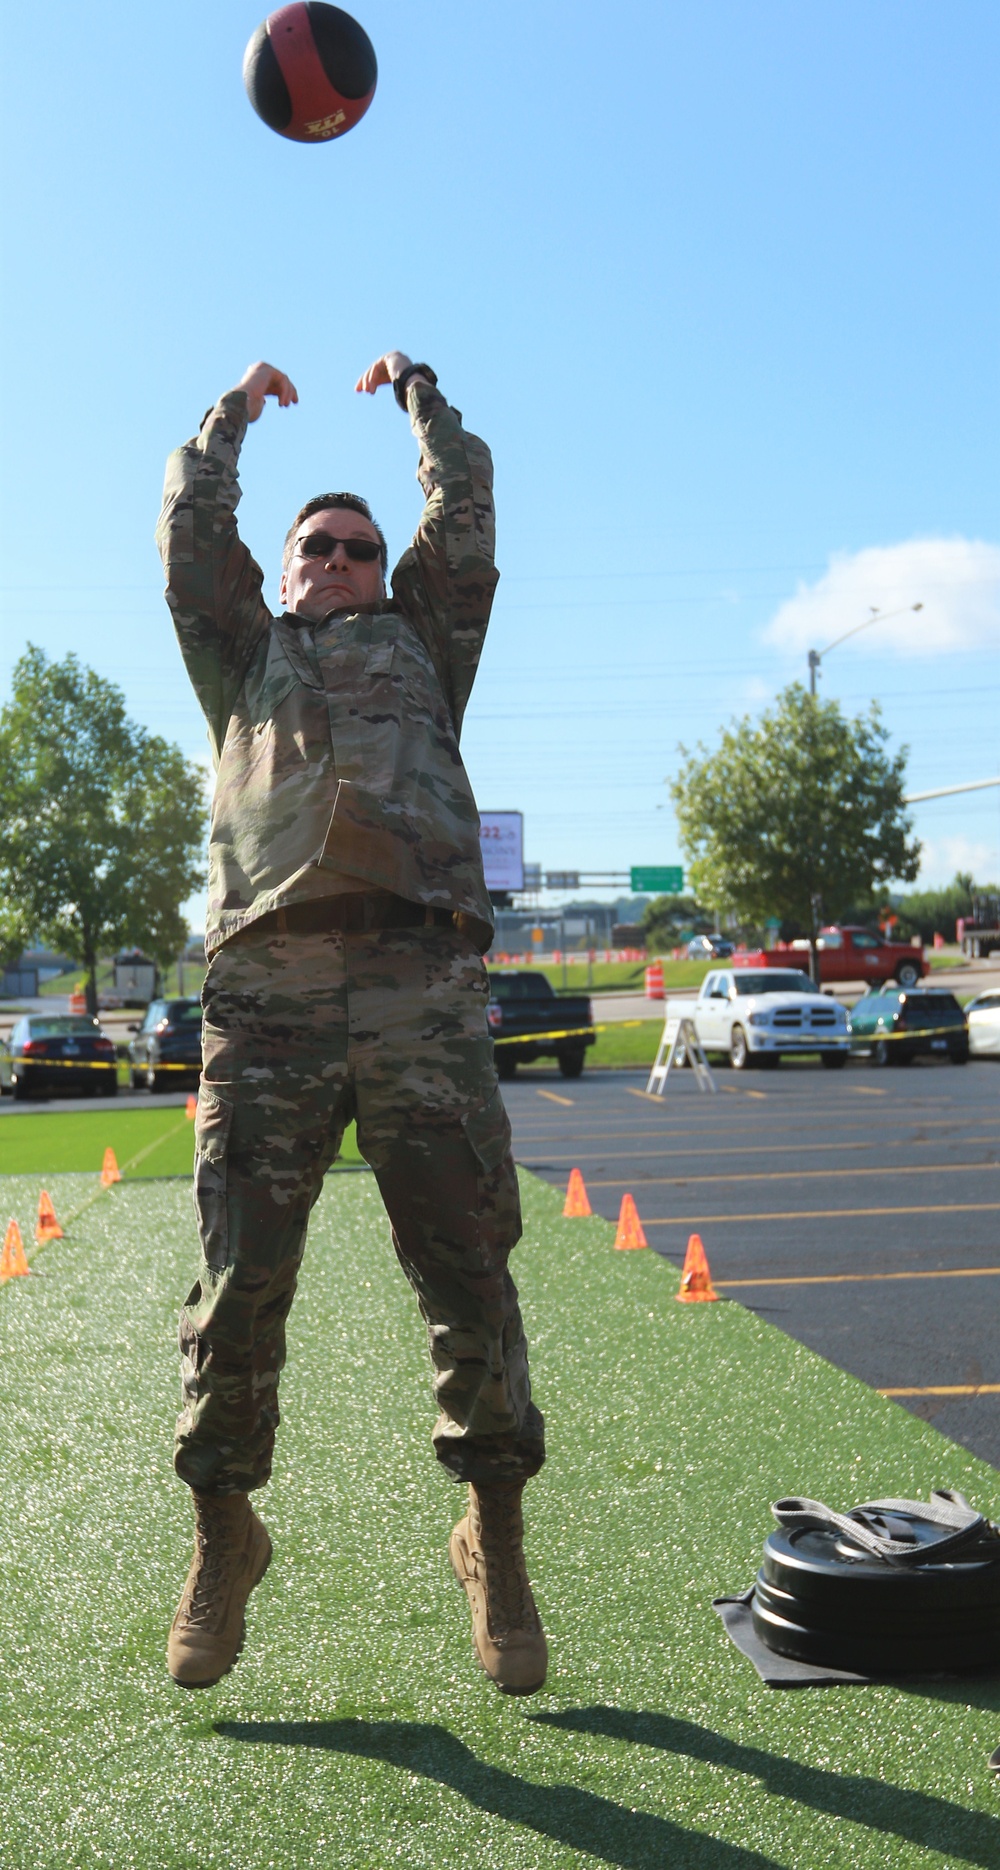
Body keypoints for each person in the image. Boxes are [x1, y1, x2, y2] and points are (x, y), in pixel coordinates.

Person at [156, 351, 546, 1695]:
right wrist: (229, 422)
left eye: (360, 545)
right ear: (283, 567)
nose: (339, 554)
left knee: (468, 1272)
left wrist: (427, 404)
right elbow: (190, 536)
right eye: (315, 544)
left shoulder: (424, 639)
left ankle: (492, 1536)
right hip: (264, 995)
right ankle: (224, 1534)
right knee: (240, 1280)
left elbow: (468, 510)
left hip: (420, 989)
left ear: (387, 569)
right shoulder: (245, 655)